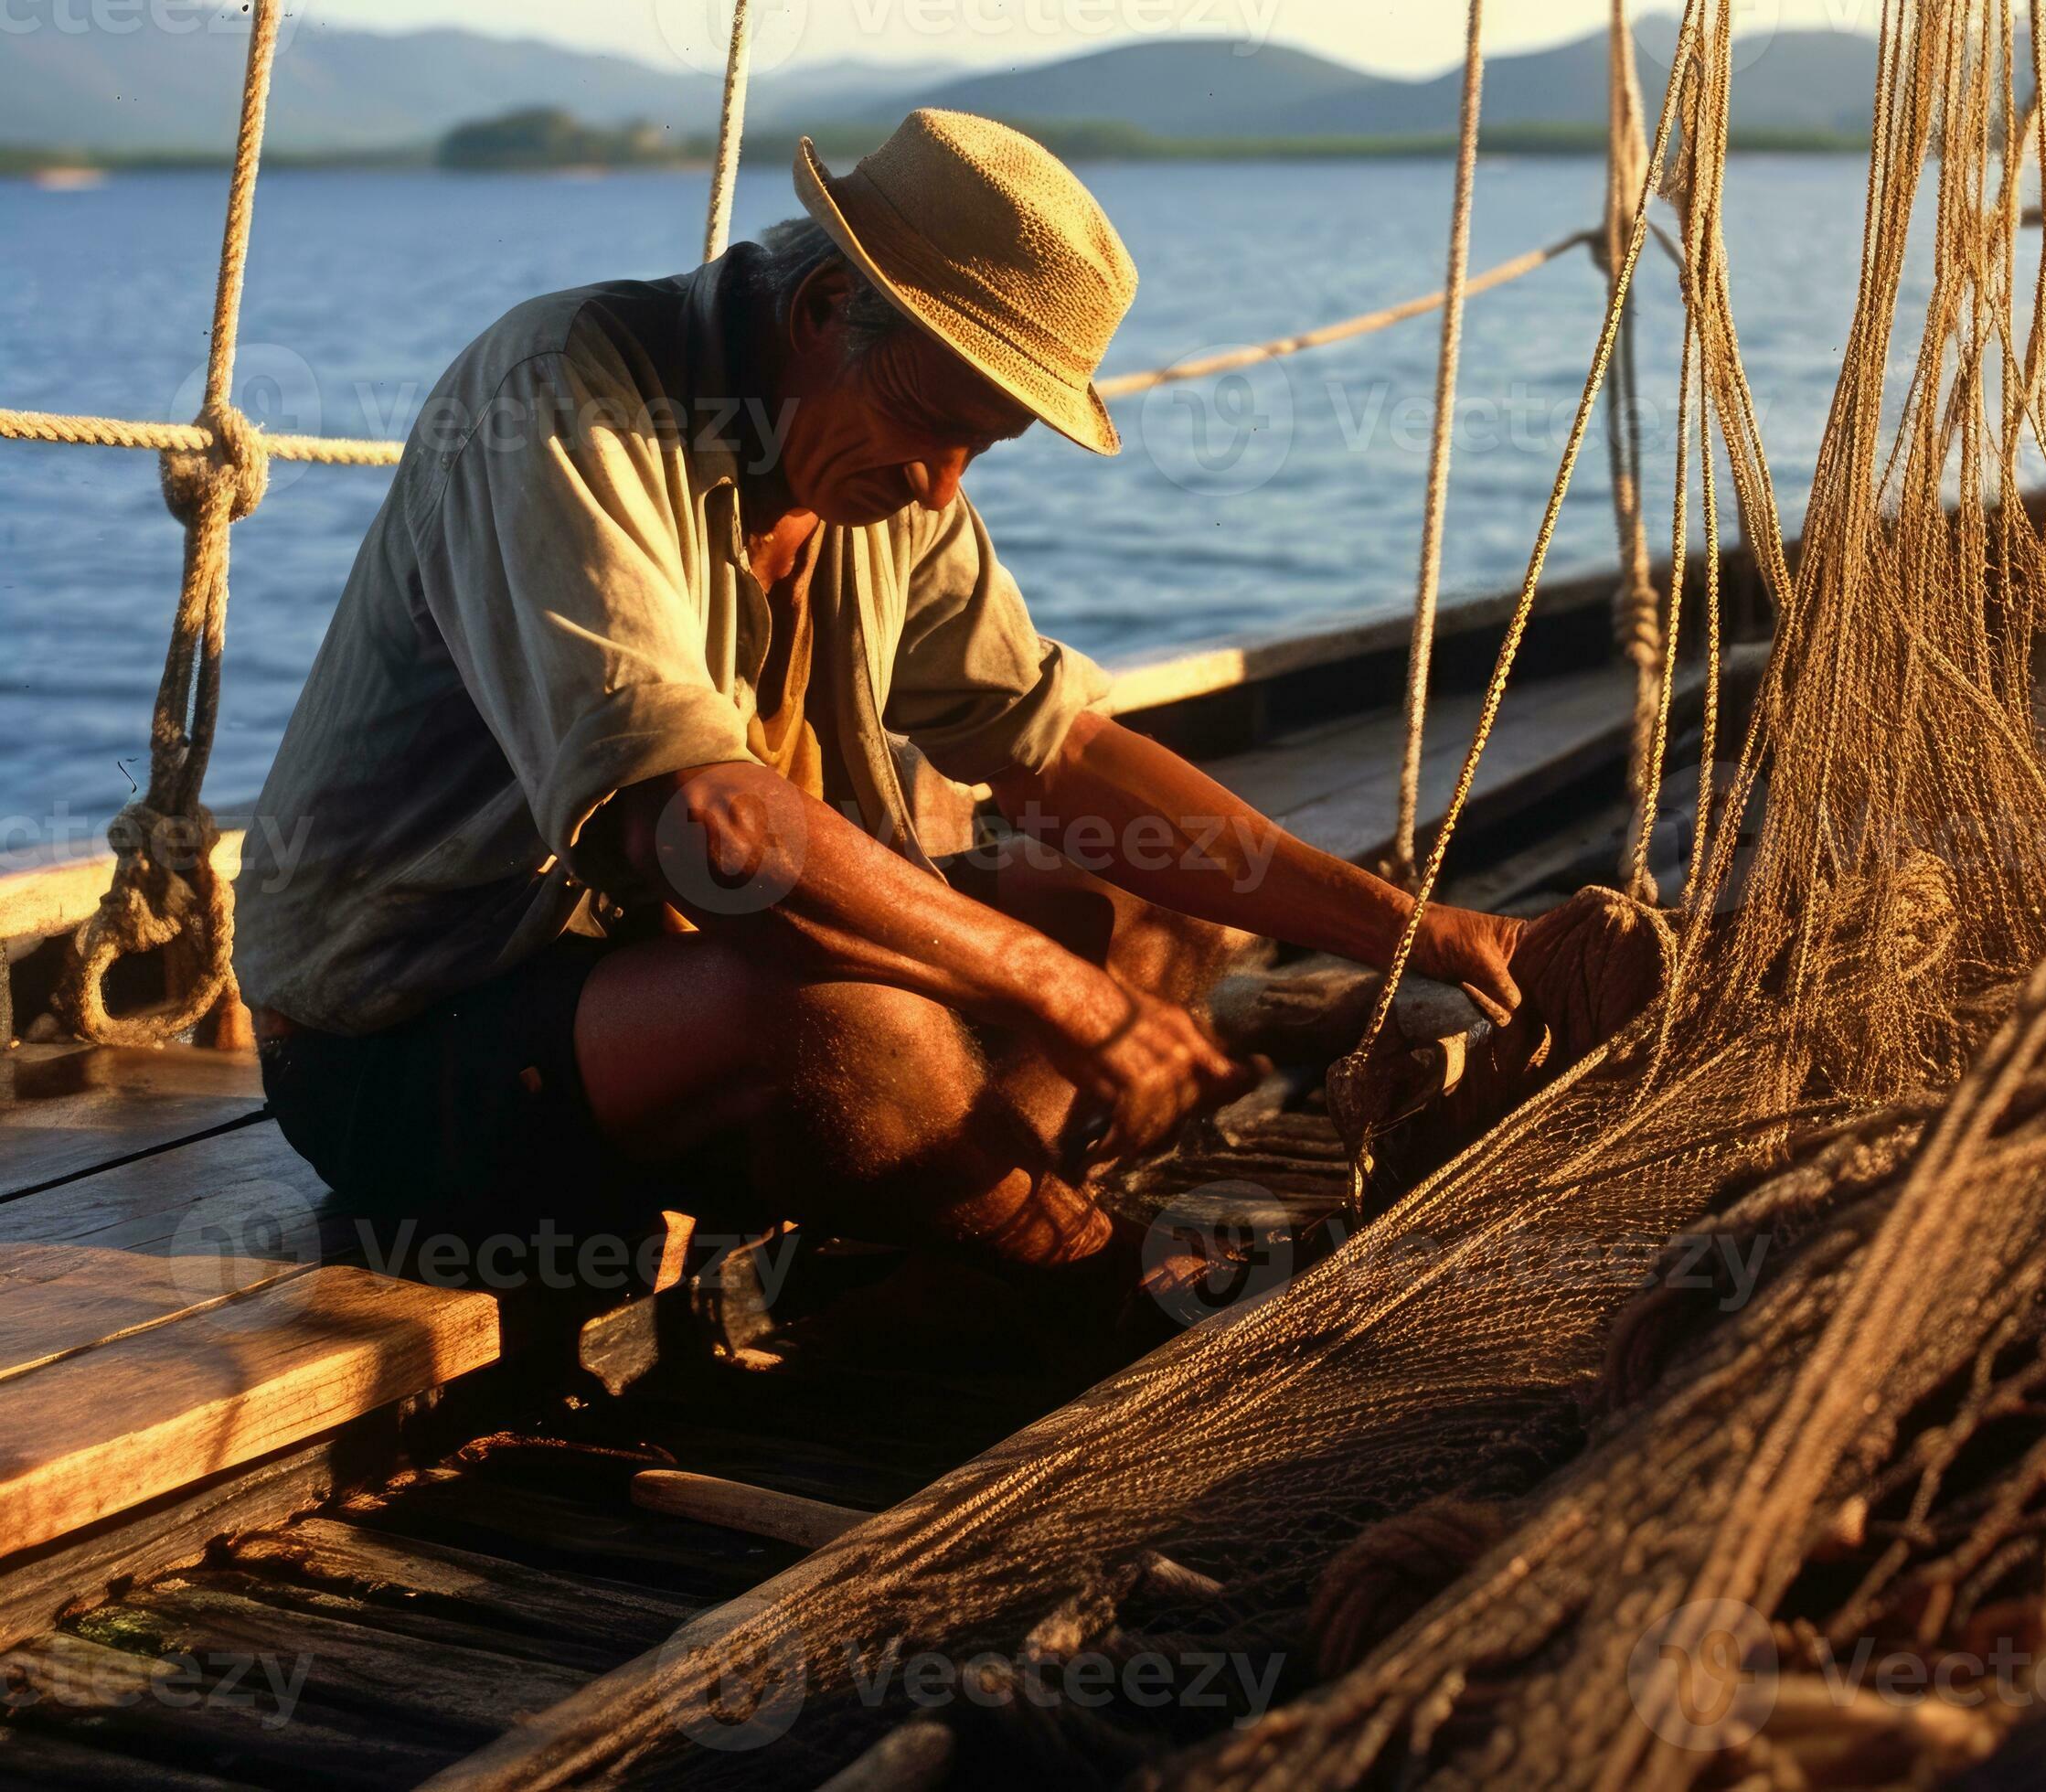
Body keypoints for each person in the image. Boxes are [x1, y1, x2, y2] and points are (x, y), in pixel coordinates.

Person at [233, 112, 1526, 1298]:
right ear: (827, 304)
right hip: (409, 1047)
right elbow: (698, 830)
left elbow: (1055, 747)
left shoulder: (873, 465)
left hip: (668, 976)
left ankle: (959, 1217)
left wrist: (1412, 928)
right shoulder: (569, 391)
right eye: (933, 425)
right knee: (852, 1026)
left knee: (1147, 913)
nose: (941, 493)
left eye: (986, 449)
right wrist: (1052, 996)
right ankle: (1076, 1276)